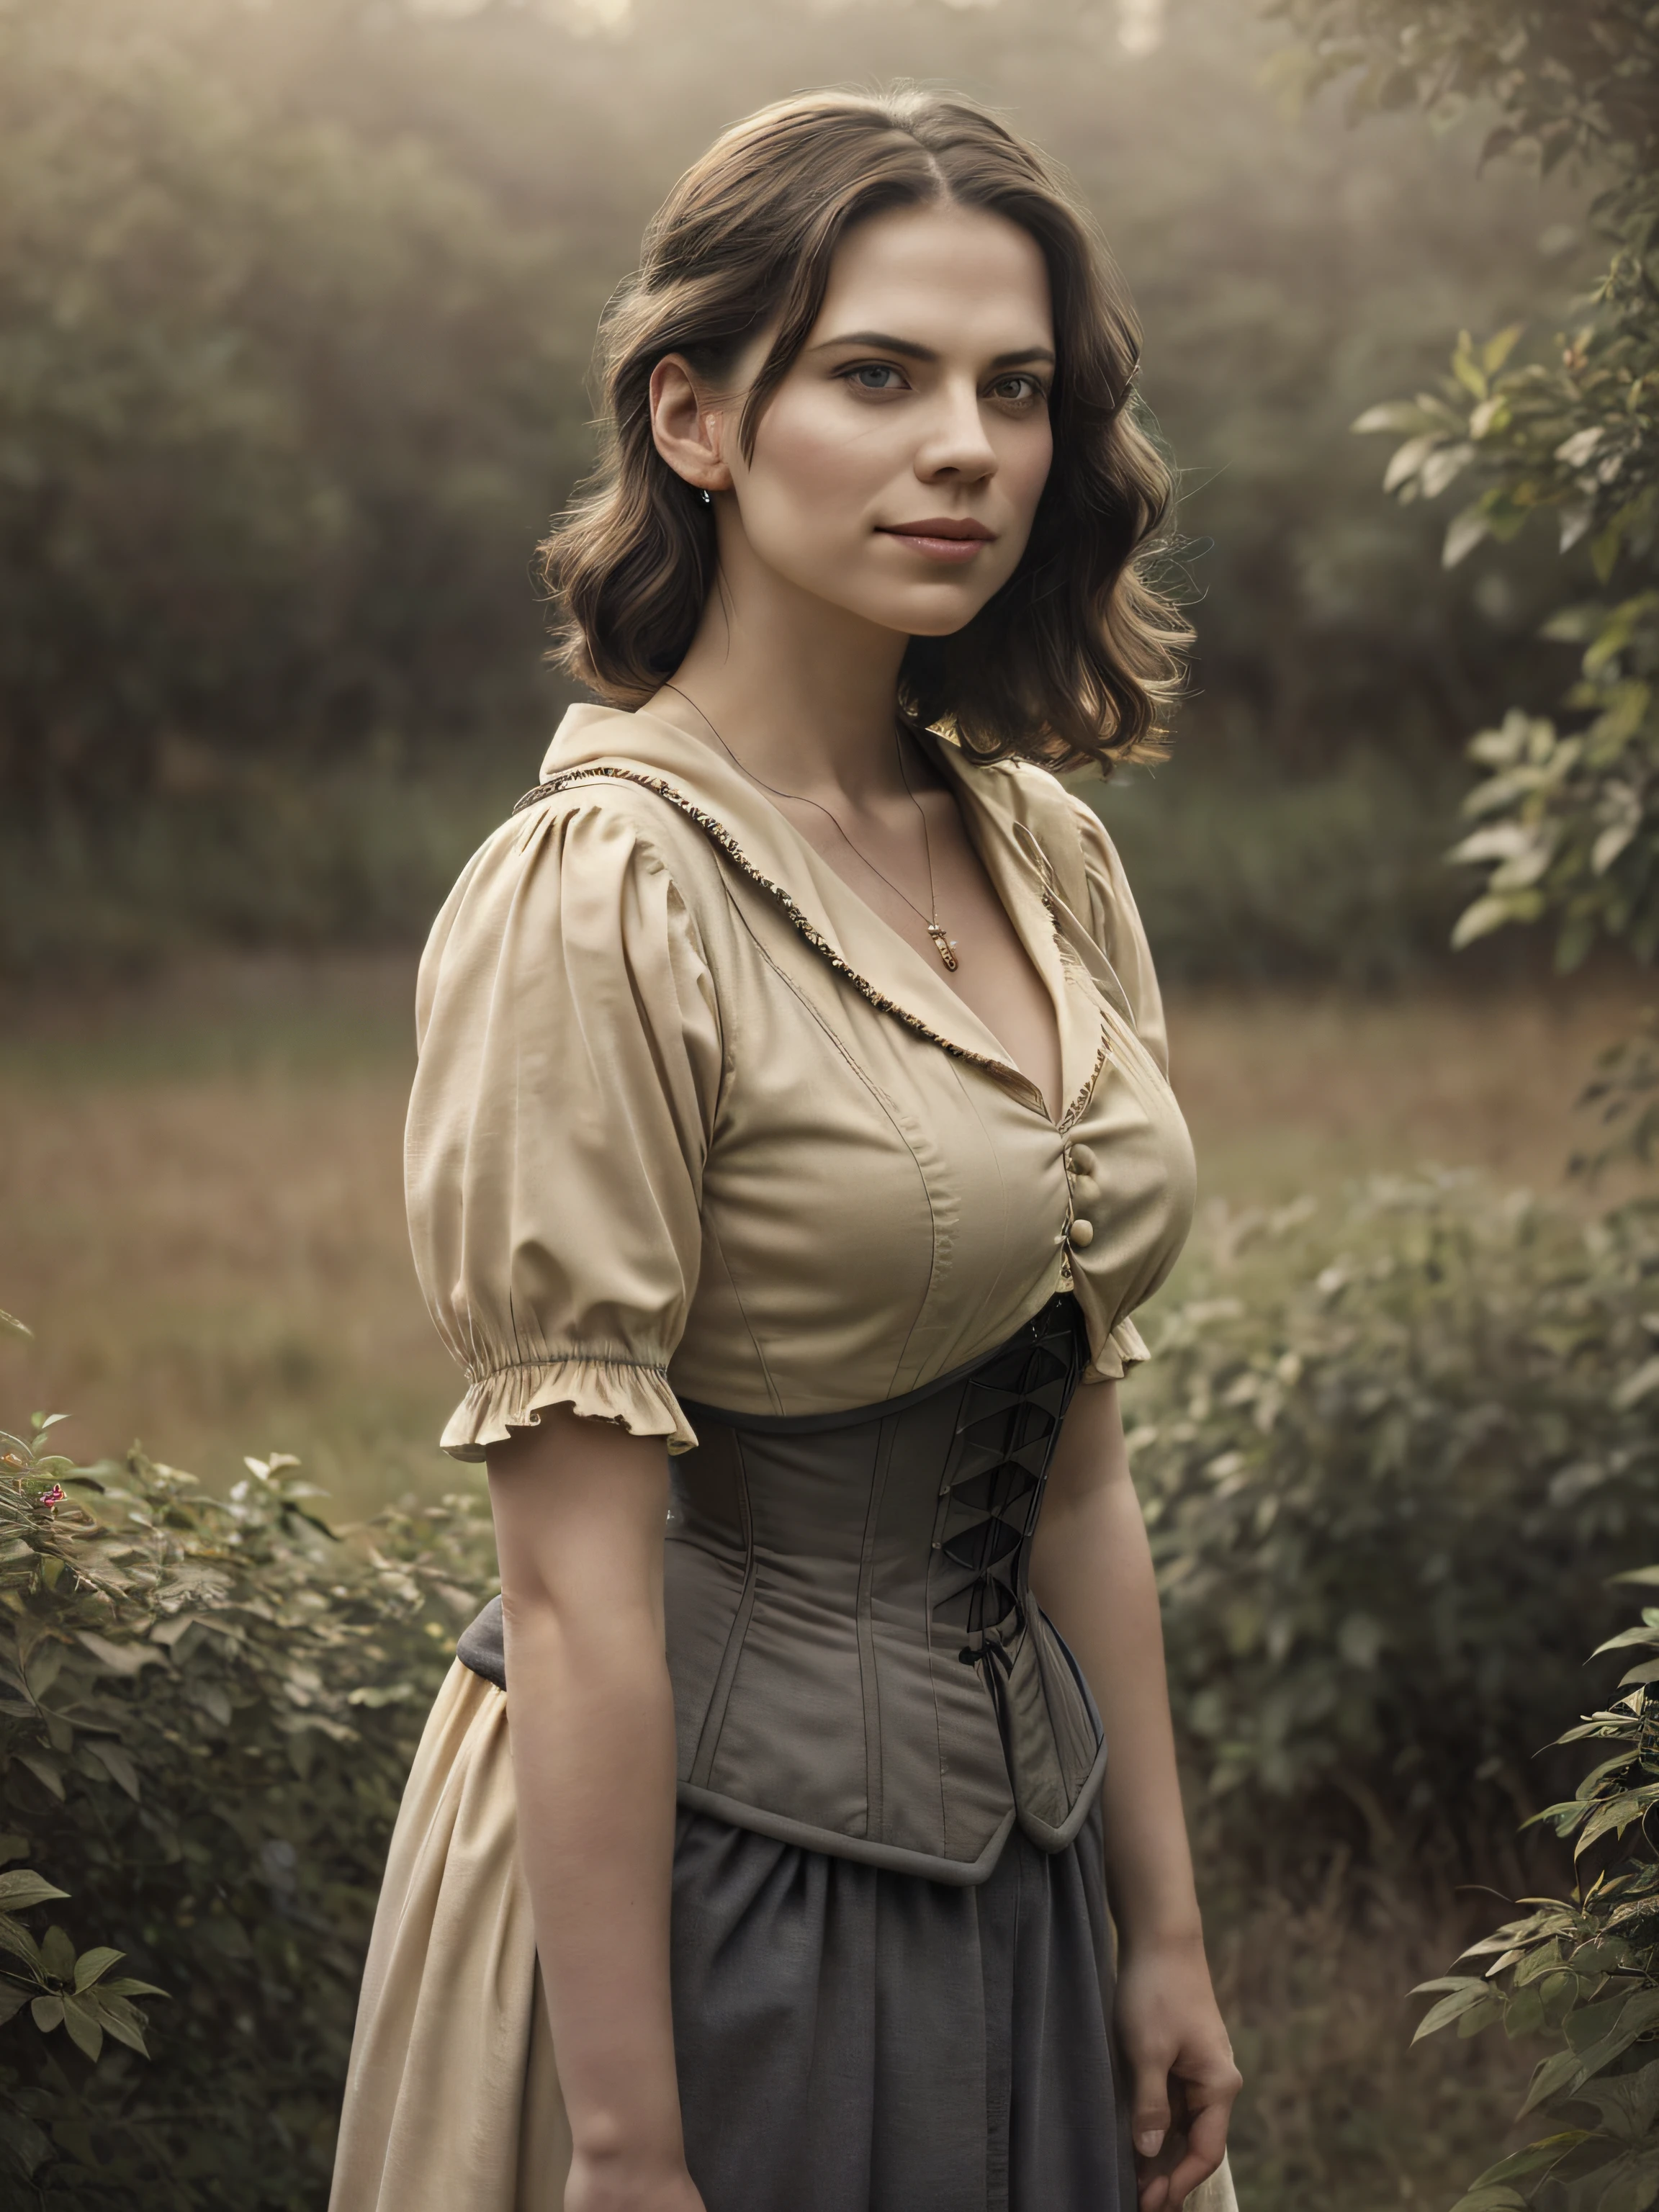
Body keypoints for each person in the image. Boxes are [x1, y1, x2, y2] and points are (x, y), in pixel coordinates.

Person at [329, 84, 1240, 2212]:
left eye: (1015, 391)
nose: (966, 449)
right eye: (876, 374)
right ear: (695, 418)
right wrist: (629, 2147)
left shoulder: (1046, 860)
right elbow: (569, 1583)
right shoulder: (604, 891)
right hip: (705, 1903)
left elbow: (1078, 1460)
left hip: (1025, 1883)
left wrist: (1166, 1932)